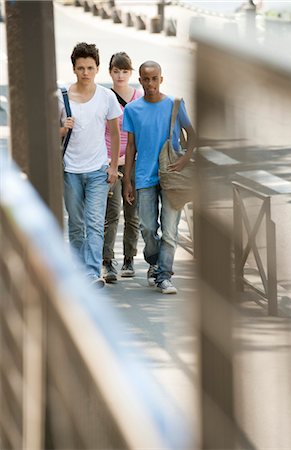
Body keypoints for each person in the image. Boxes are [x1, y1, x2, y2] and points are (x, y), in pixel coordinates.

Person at [123, 61, 196, 294]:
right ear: (140, 80)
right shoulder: (132, 110)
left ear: (161, 79)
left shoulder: (174, 104)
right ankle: (154, 262)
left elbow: (193, 136)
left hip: (172, 175)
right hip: (144, 176)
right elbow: (131, 147)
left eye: (155, 78)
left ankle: (164, 276)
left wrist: (184, 161)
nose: (150, 83)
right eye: (146, 79)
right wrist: (127, 180)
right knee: (146, 227)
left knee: (170, 229)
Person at [58, 42, 122, 288]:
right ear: (74, 69)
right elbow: (51, 131)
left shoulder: (106, 97)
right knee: (76, 224)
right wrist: (64, 128)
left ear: (97, 69)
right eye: (81, 68)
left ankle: (92, 273)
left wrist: (113, 166)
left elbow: (115, 134)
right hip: (70, 171)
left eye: (90, 68)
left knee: (95, 223)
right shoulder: (62, 96)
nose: (85, 72)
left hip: (97, 171)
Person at [102, 52, 141, 283]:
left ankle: (129, 258)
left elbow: (140, 132)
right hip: (110, 162)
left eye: (125, 71)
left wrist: (129, 160)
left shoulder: (138, 97)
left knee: (132, 214)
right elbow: (101, 131)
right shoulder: (105, 97)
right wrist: (112, 160)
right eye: (116, 71)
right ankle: (108, 261)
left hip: (133, 162)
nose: (120, 75)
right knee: (112, 213)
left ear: (130, 72)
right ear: (110, 72)